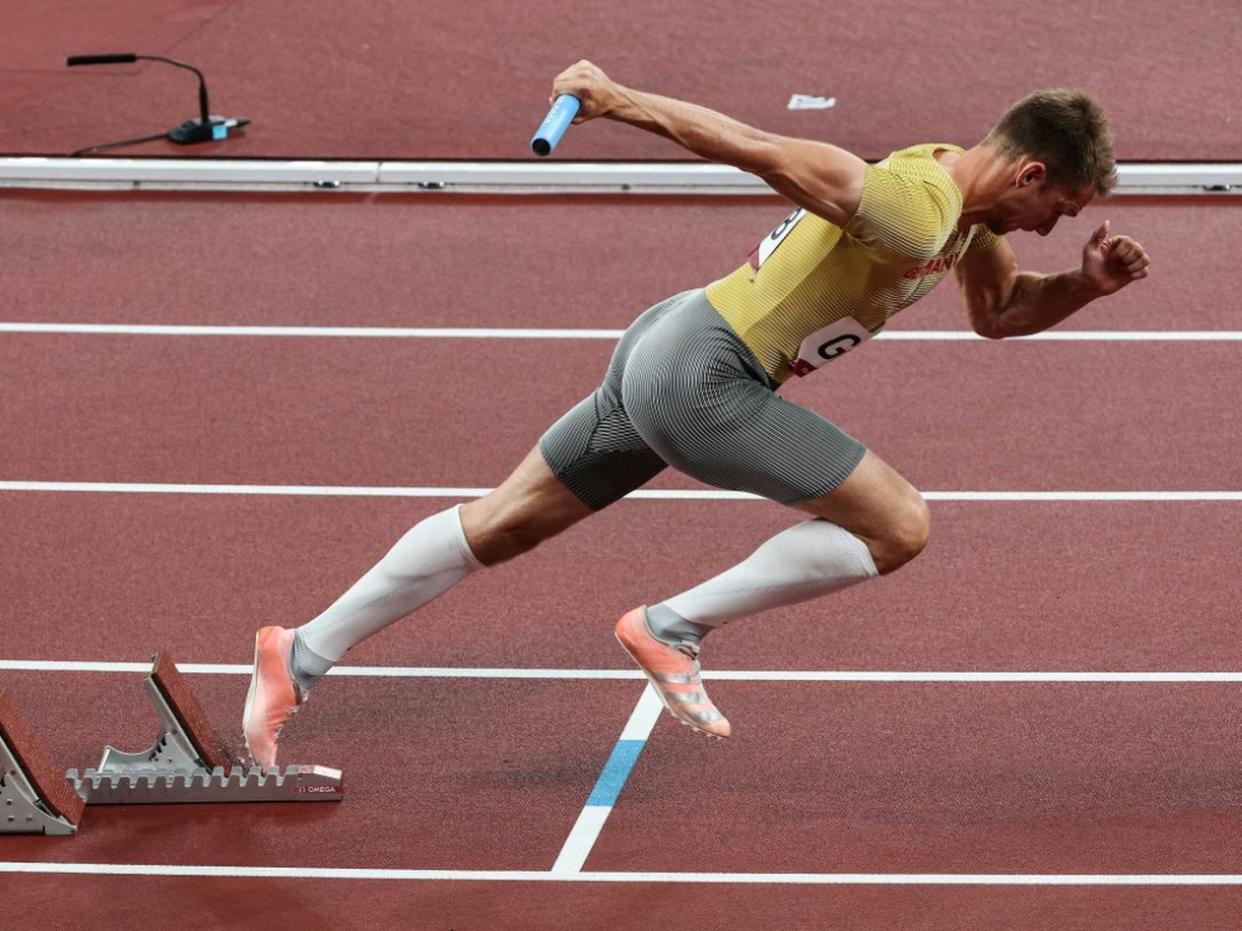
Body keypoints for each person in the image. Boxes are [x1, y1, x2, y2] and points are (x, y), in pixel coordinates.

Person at [242, 61, 1151, 765]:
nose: (1053, 227)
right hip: (703, 375)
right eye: (1061, 211)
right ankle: (670, 625)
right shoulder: (917, 207)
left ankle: (300, 653)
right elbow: (755, 146)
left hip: (669, 340)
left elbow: (1001, 315)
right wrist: (614, 98)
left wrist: (1086, 284)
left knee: (505, 522)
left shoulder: (970, 221)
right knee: (900, 524)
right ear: (1031, 171)